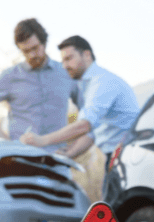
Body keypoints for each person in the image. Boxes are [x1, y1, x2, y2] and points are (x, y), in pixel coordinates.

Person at [20, 35, 139, 167]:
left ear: (87, 55)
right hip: (118, 156)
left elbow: (84, 125)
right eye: (63, 61)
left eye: (69, 59)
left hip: (128, 156)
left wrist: (42, 140)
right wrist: (69, 153)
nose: (64, 66)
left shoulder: (102, 82)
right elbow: (92, 133)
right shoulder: (90, 85)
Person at [0, 18, 76, 150]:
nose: (32, 55)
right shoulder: (10, 76)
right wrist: (0, 136)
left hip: (58, 159)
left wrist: (74, 147)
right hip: (22, 159)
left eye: (35, 48)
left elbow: (87, 110)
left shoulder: (66, 73)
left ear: (44, 43)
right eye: (26, 51)